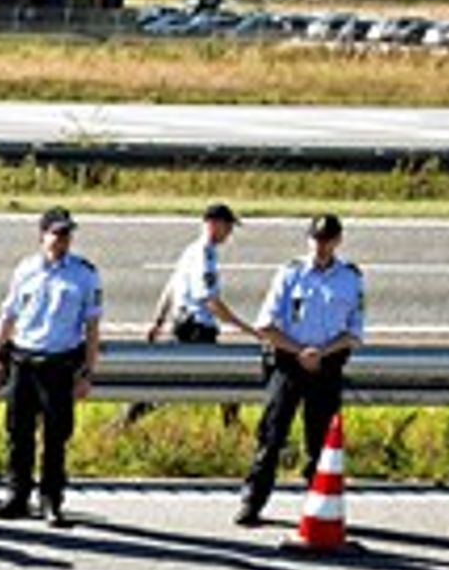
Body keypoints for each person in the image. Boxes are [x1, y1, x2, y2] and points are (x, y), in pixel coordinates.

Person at [236, 214, 363, 528]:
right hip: (289, 364)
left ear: (338, 241)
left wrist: (321, 353)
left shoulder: (350, 278)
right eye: (316, 239)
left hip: (327, 365)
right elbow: (265, 324)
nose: (321, 246)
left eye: (327, 240)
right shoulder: (290, 273)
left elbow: (354, 332)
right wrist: (299, 351)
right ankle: (252, 501)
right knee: (272, 435)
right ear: (308, 239)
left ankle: (319, 506)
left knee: (320, 442)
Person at [0, 207, 102, 526]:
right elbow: (8, 317)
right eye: (56, 233)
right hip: (24, 360)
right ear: (42, 235)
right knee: (18, 435)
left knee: (55, 437)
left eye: (67, 234)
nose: (62, 240)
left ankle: (52, 500)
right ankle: (17, 495)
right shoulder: (25, 270)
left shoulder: (84, 274)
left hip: (60, 364)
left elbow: (92, 328)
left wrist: (87, 373)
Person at [134, 202, 257, 427]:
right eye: (228, 226)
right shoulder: (204, 255)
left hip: (184, 324)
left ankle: (234, 429)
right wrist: (248, 329)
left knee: (179, 382)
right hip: (197, 330)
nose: (229, 233)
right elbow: (210, 301)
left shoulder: (191, 250)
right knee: (229, 381)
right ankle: (234, 430)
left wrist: (158, 321)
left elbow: (171, 287)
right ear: (214, 224)